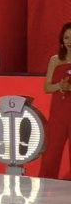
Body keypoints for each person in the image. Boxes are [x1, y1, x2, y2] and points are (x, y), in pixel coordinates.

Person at [38, 22, 71, 179]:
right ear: (62, 40)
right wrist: (59, 85)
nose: (69, 41)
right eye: (66, 37)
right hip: (58, 114)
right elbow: (47, 87)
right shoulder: (55, 60)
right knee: (51, 154)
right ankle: (46, 187)